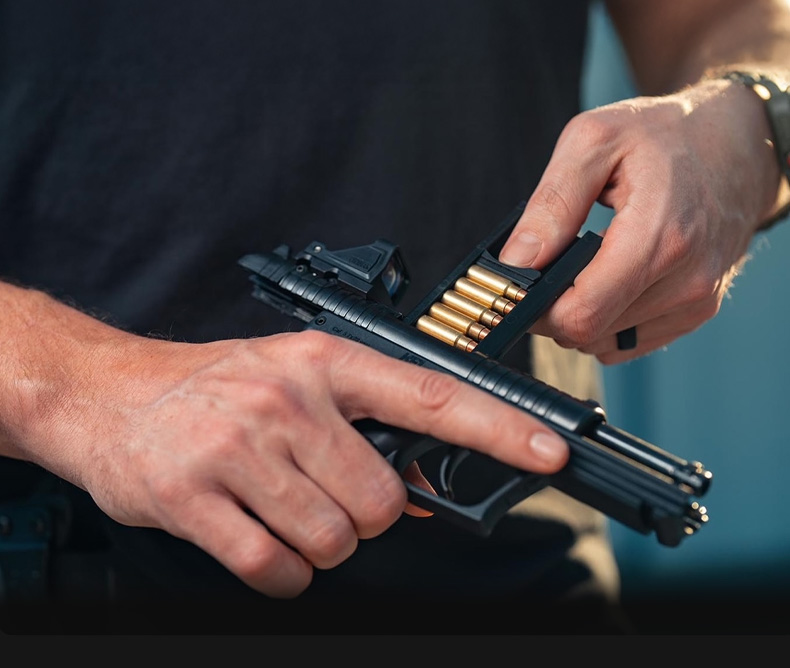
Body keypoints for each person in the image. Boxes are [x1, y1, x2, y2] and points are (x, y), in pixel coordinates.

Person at [0, 0, 788, 634]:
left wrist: (751, 125)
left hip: (519, 573)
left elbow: (735, 21)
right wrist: (82, 387)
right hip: (68, 568)